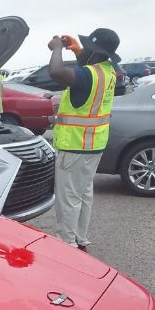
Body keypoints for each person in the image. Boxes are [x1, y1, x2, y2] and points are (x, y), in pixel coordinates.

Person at [48, 28, 121, 253]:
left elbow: (56, 72)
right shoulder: (108, 72)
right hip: (94, 145)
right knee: (83, 193)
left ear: (94, 50)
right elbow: (88, 69)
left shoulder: (88, 75)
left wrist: (58, 49)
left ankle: (67, 246)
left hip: (75, 146)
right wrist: (79, 51)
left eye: (87, 47)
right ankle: (80, 240)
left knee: (68, 198)